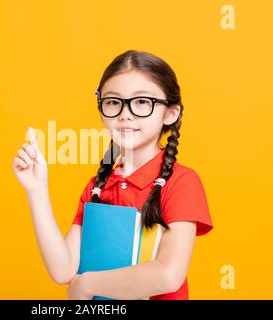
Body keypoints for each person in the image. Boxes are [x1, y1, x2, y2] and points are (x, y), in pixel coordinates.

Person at [13, 50, 213, 300]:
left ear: (170, 113)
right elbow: (63, 270)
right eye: (113, 102)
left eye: (142, 102)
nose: (125, 114)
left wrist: (88, 285)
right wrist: (36, 191)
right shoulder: (98, 186)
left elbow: (168, 275)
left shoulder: (182, 183)